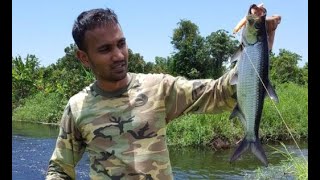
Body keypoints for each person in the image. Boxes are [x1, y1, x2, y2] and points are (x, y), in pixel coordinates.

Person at [46, 6, 281, 180]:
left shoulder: (159, 88)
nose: (118, 55)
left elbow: (218, 93)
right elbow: (59, 169)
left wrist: (259, 49)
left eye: (121, 43)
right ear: (84, 57)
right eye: (105, 49)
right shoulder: (77, 107)